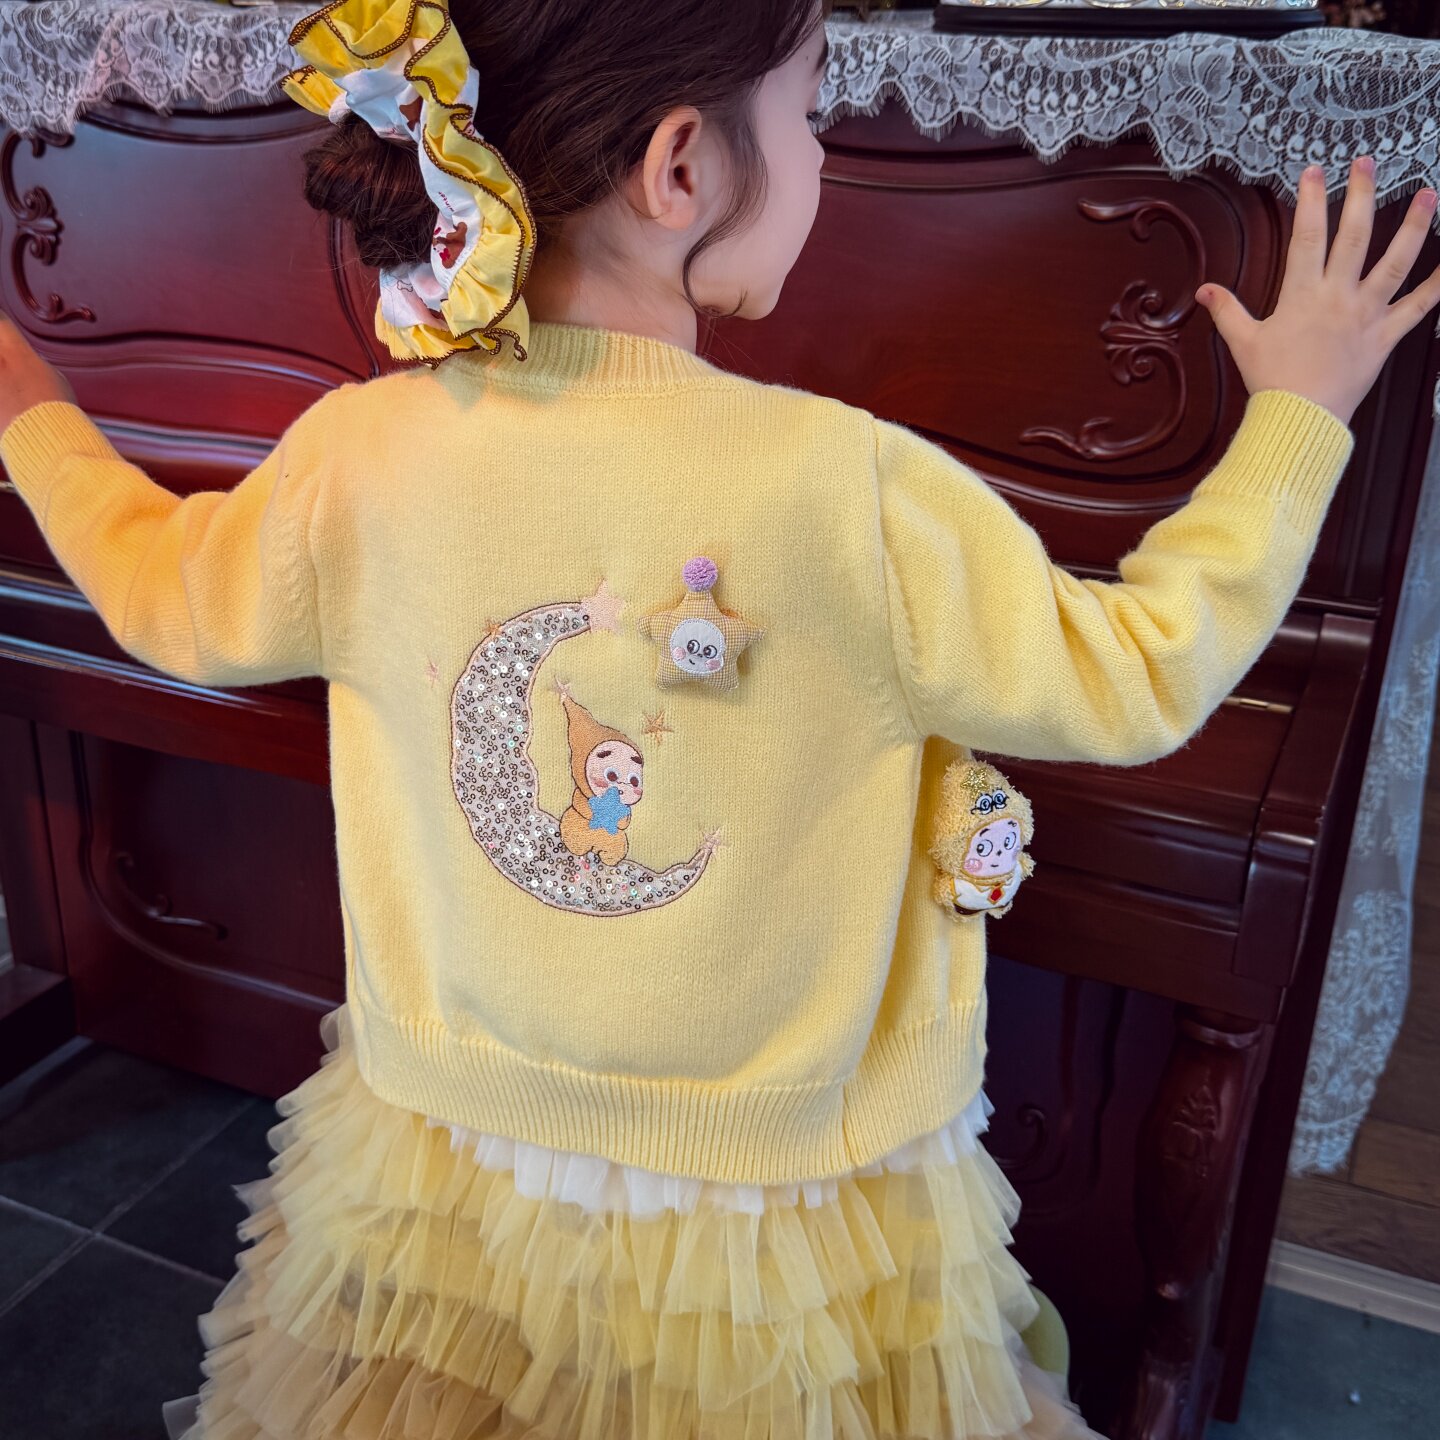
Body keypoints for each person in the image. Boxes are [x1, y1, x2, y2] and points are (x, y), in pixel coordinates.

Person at [1, 0, 1437, 1434]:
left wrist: (35, 412)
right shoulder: (850, 486)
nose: (822, 157)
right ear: (680, 166)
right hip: (781, 1203)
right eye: (810, 116)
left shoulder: (359, 451)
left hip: (454, 1159)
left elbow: (169, 597)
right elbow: (1141, 671)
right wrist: (1298, 416)